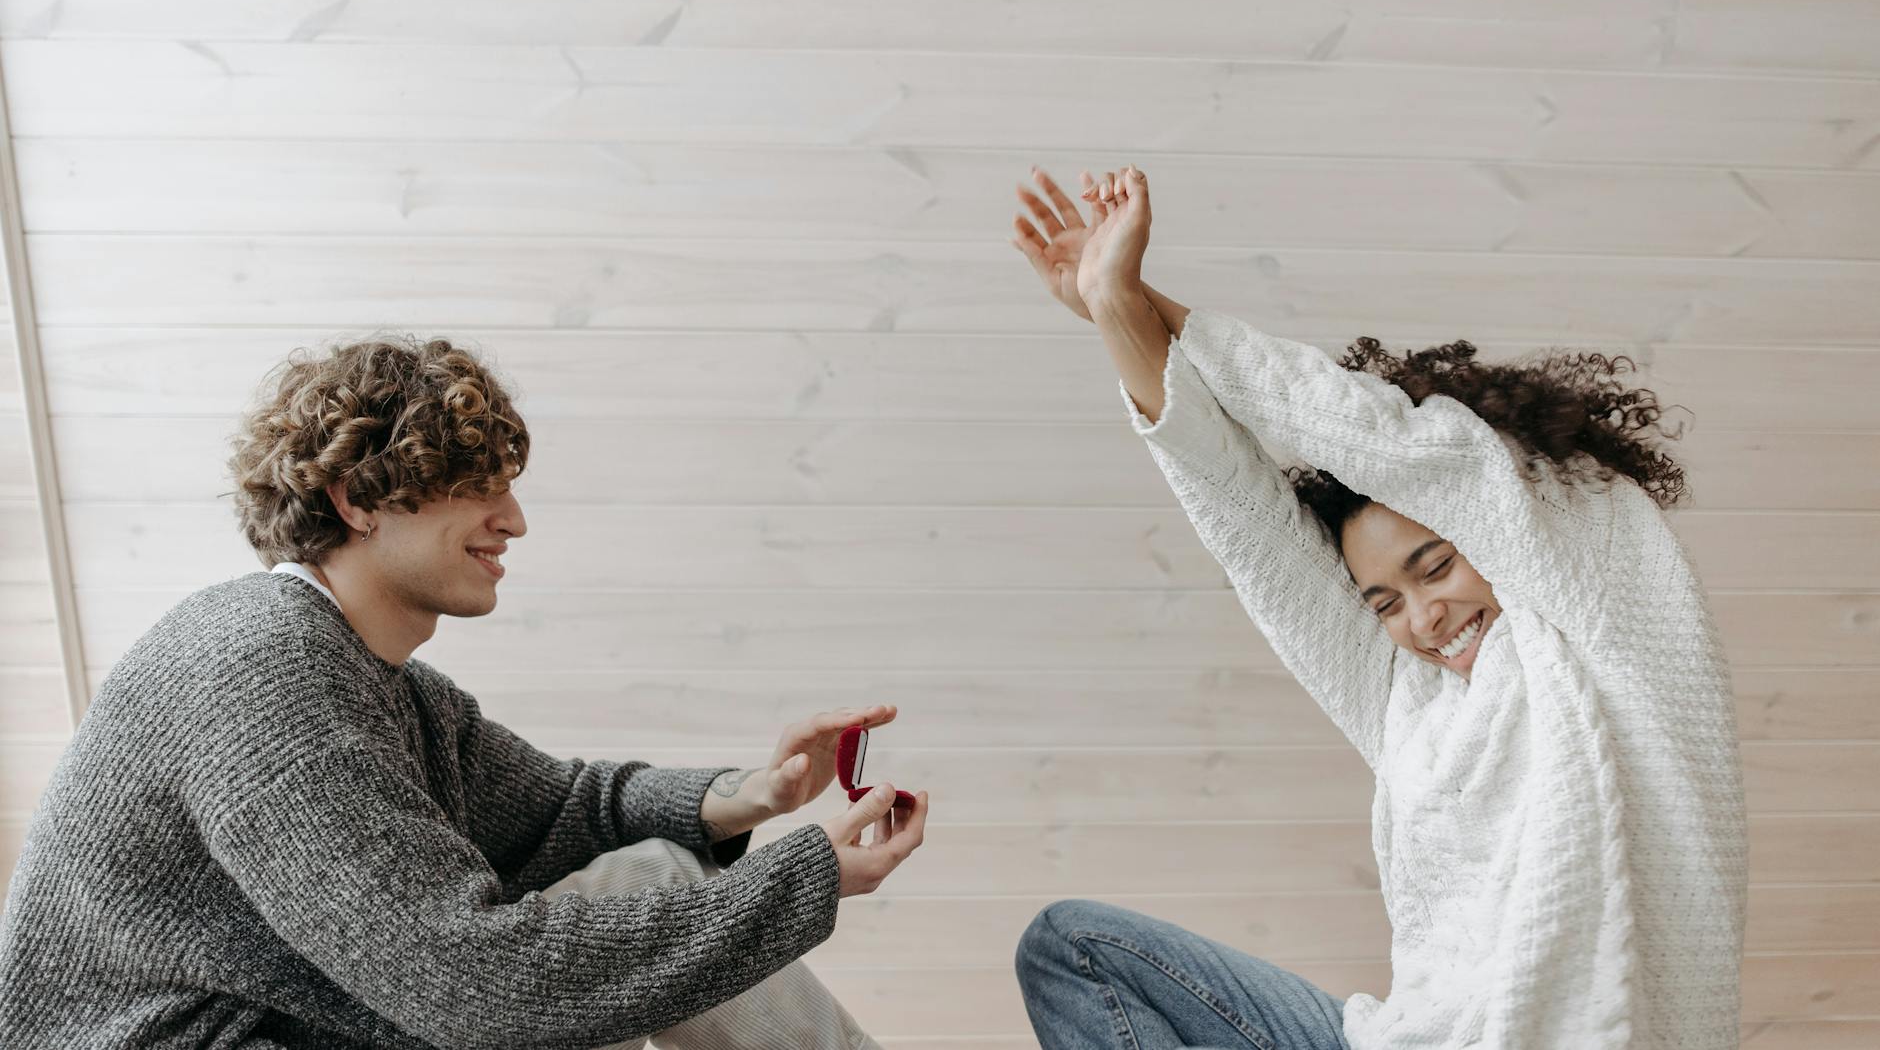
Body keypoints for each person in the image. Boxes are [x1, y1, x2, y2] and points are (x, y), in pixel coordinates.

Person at [0, 336, 928, 1049]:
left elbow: (562, 807)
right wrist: (810, 875)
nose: (513, 519)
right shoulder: (262, 677)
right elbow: (476, 987)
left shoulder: (371, 680)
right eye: (475, 486)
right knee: (573, 971)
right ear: (355, 500)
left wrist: (754, 795)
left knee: (645, 879)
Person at [1006, 166, 1745, 1049]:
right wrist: (1114, 305)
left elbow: (1423, 455)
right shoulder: (1408, 704)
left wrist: (1151, 299)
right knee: (1073, 946)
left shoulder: (1605, 620)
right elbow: (1243, 518)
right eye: (1386, 600)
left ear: (1499, 522)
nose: (1425, 618)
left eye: (1436, 566)